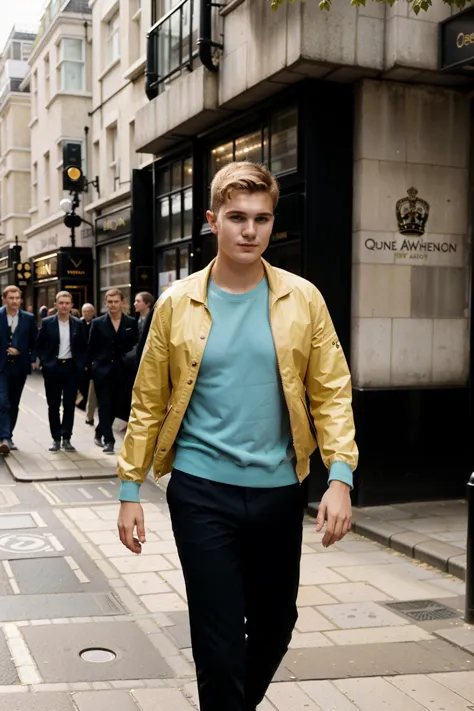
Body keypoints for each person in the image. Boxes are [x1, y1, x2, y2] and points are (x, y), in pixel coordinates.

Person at [116, 162, 358, 711]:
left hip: (279, 491)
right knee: (218, 639)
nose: (250, 230)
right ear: (212, 222)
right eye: (237, 217)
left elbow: (332, 391)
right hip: (202, 492)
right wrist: (130, 489)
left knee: (276, 623)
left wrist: (339, 477)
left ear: (273, 224)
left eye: (262, 218)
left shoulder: (304, 299)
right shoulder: (178, 302)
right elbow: (148, 400)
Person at [36, 291, 88, 452]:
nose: (64, 306)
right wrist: (45, 361)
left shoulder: (78, 324)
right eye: (61, 303)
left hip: (71, 368)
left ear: (72, 305)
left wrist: (81, 363)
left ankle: (67, 438)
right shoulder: (47, 322)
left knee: (69, 405)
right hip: (53, 368)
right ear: (56, 305)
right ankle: (55, 438)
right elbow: (39, 345)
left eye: (67, 303)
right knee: (53, 405)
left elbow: (83, 345)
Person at [89, 289, 138, 454]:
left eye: (116, 301)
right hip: (102, 371)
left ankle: (99, 430)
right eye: (110, 302)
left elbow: (136, 346)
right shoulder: (97, 323)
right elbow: (91, 347)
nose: (113, 305)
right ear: (105, 303)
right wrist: (95, 366)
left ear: (122, 302)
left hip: (123, 372)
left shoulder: (131, 323)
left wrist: (129, 361)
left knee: (117, 406)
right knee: (104, 405)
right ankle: (109, 441)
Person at [0, 286, 38, 454]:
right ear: (4, 299)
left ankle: (8, 435)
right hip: (1, 367)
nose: (14, 301)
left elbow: (34, 342)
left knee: (14, 403)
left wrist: (29, 357)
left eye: (17, 298)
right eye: (11, 298)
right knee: (2, 401)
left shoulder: (28, 318)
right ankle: (5, 437)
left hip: (19, 367)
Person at [77, 303, 96, 422]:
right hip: (82, 359)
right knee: (82, 384)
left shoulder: (97, 323)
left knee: (92, 387)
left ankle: (87, 407)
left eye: (89, 311)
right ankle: (81, 401)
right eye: (84, 312)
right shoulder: (79, 324)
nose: (87, 314)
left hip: (93, 360)